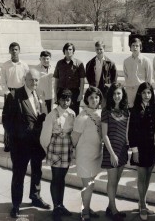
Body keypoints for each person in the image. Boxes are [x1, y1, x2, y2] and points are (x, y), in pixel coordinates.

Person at [2, 69, 50, 218]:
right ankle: (16, 205)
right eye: (31, 80)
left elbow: (41, 116)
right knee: (18, 176)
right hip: (21, 145)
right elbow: (6, 120)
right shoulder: (14, 96)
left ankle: (35, 197)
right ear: (24, 79)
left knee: (37, 172)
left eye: (36, 80)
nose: (34, 83)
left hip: (37, 144)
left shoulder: (39, 94)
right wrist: (16, 138)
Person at [40, 89, 76, 219]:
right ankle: (56, 207)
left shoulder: (72, 114)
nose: (65, 102)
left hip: (66, 147)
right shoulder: (52, 114)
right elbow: (45, 135)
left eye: (68, 100)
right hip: (55, 146)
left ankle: (61, 205)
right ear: (58, 100)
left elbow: (73, 132)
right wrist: (48, 148)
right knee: (56, 177)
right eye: (63, 99)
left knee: (62, 177)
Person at [71, 87, 103, 221]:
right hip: (84, 156)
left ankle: (87, 207)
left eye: (96, 97)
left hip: (96, 154)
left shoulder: (100, 114)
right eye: (91, 97)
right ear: (86, 99)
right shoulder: (82, 116)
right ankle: (84, 212)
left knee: (91, 184)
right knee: (88, 185)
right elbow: (74, 138)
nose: (94, 100)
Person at [128, 82, 155, 220]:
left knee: (148, 176)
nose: (147, 95)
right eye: (145, 92)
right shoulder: (134, 110)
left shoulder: (154, 108)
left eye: (149, 93)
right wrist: (135, 151)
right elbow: (132, 132)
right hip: (140, 148)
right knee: (141, 177)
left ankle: (141, 202)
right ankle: (143, 205)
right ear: (140, 94)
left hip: (152, 147)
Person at [101, 83, 129, 221]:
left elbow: (126, 132)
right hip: (111, 151)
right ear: (110, 96)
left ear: (122, 94)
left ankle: (109, 207)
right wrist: (112, 153)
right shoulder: (106, 111)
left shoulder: (126, 111)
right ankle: (113, 209)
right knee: (112, 181)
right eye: (114, 94)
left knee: (116, 181)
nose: (116, 96)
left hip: (122, 150)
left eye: (119, 93)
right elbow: (104, 135)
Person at [1, 42, 30, 152]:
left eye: (16, 49)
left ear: (19, 51)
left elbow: (27, 81)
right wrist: (8, 93)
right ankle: (8, 143)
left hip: (21, 94)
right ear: (9, 51)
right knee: (8, 119)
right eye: (12, 49)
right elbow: (3, 82)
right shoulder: (5, 65)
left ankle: (19, 144)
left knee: (21, 119)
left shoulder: (24, 65)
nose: (14, 51)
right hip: (9, 93)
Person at [53, 43, 86, 116]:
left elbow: (82, 80)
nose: (68, 51)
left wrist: (81, 94)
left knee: (74, 113)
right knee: (61, 113)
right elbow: (56, 79)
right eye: (66, 49)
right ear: (64, 51)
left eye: (70, 49)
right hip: (61, 91)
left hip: (74, 93)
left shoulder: (79, 63)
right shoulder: (59, 63)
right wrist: (55, 94)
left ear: (73, 51)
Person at [123, 37, 153, 107]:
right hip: (130, 90)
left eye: (137, 46)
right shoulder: (126, 61)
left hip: (141, 90)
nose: (135, 47)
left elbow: (149, 77)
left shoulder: (146, 61)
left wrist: (146, 92)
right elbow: (126, 76)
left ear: (140, 47)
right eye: (133, 45)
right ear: (130, 47)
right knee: (131, 110)